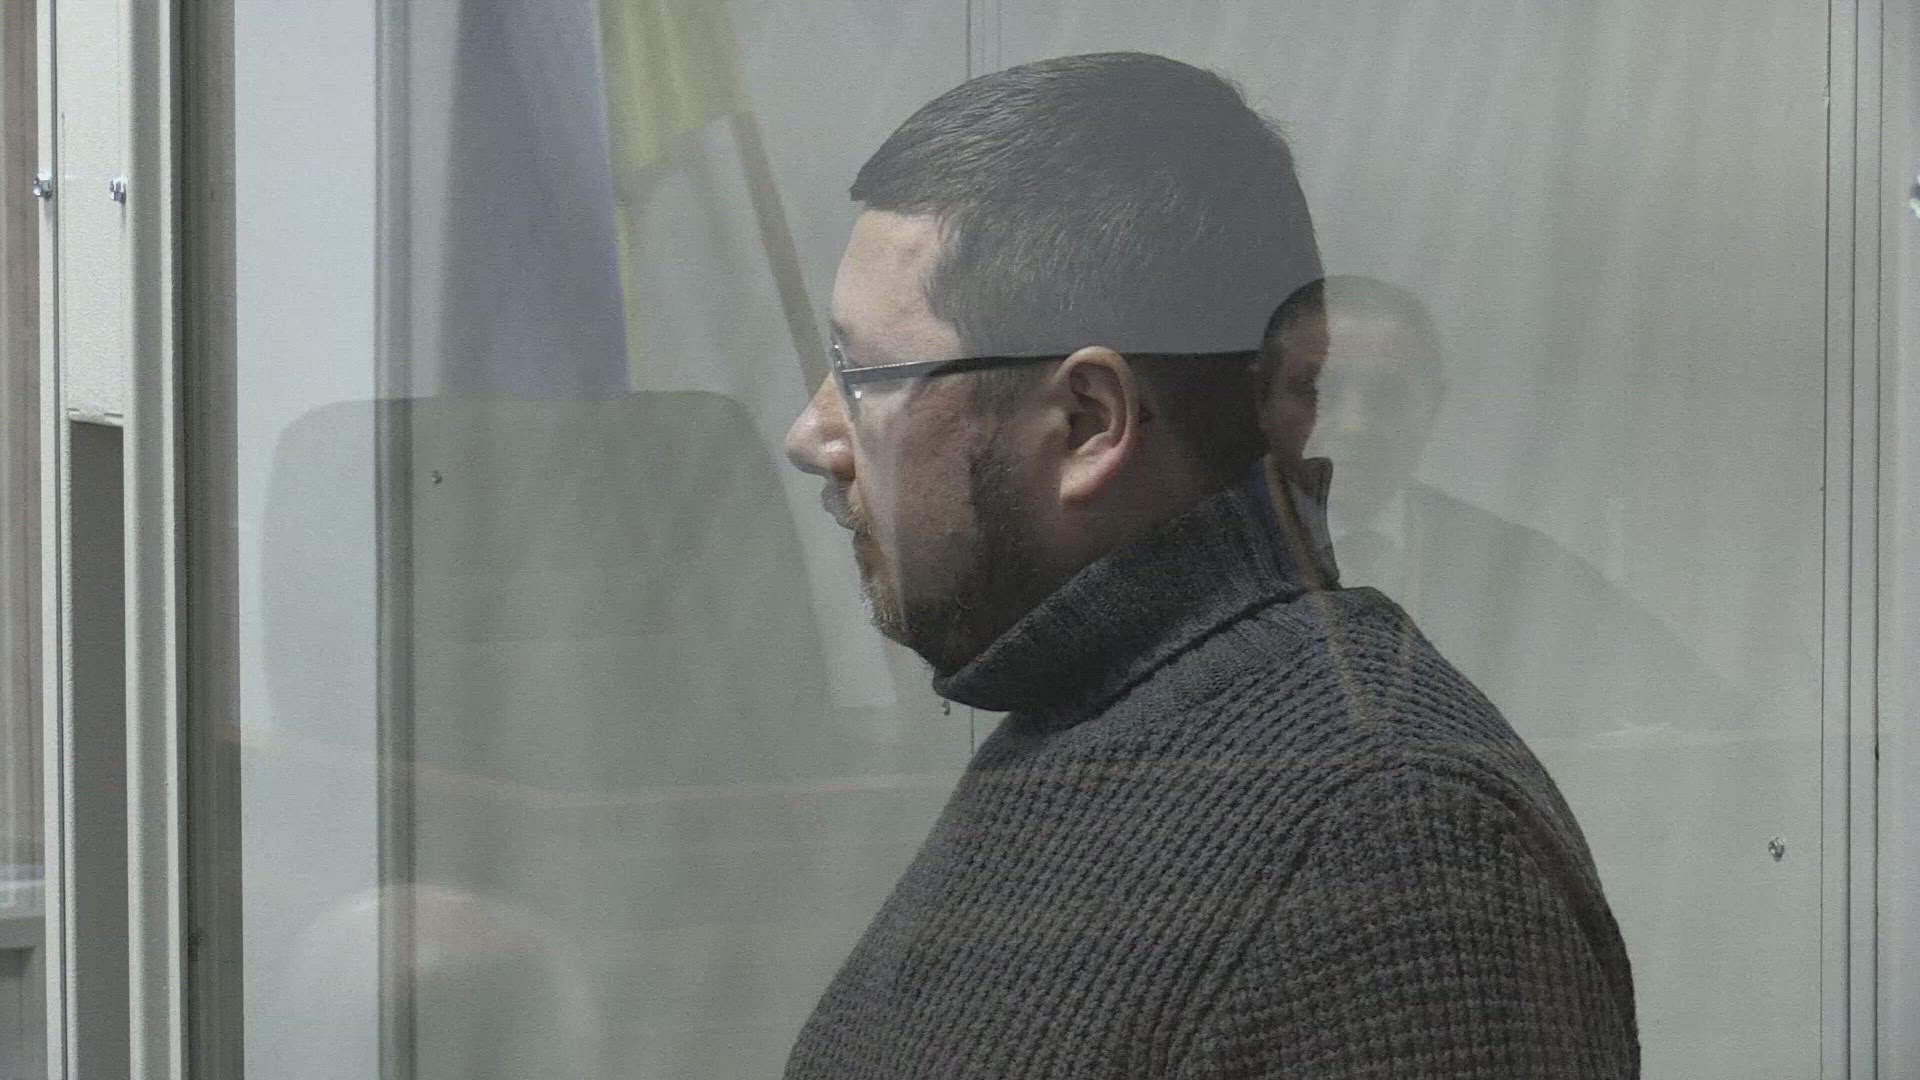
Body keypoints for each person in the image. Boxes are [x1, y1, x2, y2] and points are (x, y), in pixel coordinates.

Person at [782, 53, 1636, 1078]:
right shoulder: (1090, 713)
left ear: (1088, 421)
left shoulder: (1392, 843)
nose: (811, 434)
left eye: (862, 373)